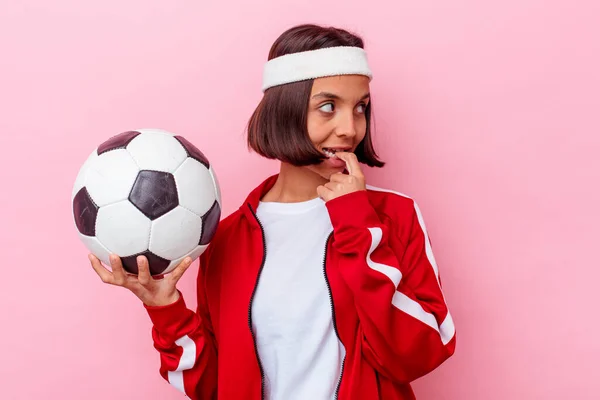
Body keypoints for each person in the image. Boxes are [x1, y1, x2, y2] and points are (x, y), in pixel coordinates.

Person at [89, 23, 456, 400]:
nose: (349, 129)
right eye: (327, 107)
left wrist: (357, 224)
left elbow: (420, 353)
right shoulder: (228, 238)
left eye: (360, 108)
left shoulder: (393, 216)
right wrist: (165, 309)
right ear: (285, 111)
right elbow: (215, 386)